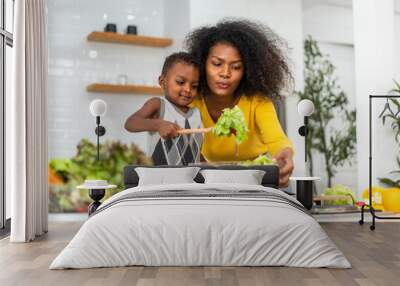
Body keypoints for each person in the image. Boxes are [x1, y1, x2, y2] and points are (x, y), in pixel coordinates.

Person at [184, 19, 294, 186]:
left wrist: (285, 154)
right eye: (217, 64)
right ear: (202, 63)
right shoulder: (193, 101)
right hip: (212, 181)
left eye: (236, 67)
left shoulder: (257, 101)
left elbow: (276, 139)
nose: (225, 73)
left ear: (247, 70)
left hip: (257, 180)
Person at [124, 52, 203, 165]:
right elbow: (130, 123)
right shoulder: (158, 104)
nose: (188, 89)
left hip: (192, 180)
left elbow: (195, 151)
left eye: (194, 86)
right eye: (180, 82)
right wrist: (158, 124)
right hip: (160, 180)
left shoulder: (197, 113)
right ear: (163, 82)